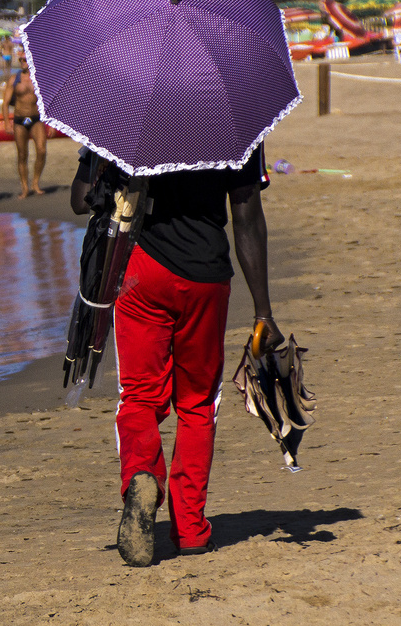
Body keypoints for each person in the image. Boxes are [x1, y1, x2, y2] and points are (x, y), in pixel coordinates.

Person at [71, 146, 278, 567]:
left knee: (140, 397)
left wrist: (100, 159)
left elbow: (79, 200)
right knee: (199, 404)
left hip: (142, 270)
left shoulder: (126, 110)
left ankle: (141, 476)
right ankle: (190, 530)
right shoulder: (236, 123)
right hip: (207, 276)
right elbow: (247, 217)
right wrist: (263, 312)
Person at [2, 55, 47, 197]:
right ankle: (25, 187)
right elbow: (5, 103)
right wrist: (6, 123)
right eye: (20, 60)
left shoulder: (38, 78)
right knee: (22, 154)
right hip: (20, 120)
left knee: (41, 150)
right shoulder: (14, 80)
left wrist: (51, 123)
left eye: (24, 59)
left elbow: (46, 100)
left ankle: (35, 183)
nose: (22, 62)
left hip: (35, 118)